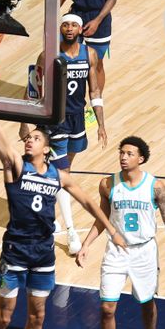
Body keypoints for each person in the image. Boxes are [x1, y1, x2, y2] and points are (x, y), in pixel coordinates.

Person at [0, 119, 126, 329]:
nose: (28, 141)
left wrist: (111, 229)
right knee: (5, 317)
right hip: (15, 252)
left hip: (43, 255)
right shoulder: (16, 167)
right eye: (27, 138)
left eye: (35, 138)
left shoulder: (58, 177)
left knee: (38, 318)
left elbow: (87, 200)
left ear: (46, 147)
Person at [76, 137, 165, 329]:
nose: (123, 157)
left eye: (129, 153)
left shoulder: (156, 187)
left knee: (147, 303)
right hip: (116, 252)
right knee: (106, 308)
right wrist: (86, 244)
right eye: (121, 153)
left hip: (144, 252)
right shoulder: (107, 184)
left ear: (141, 159)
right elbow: (103, 218)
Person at [25, 14, 107, 256]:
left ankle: (44, 207)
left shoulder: (89, 54)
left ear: (81, 28)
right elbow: (33, 89)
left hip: (77, 119)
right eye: (65, 24)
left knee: (62, 173)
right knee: (63, 175)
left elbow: (94, 90)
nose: (69, 28)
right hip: (56, 120)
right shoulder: (48, 55)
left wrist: (101, 122)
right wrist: (25, 122)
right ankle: (71, 231)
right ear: (59, 27)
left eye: (73, 25)